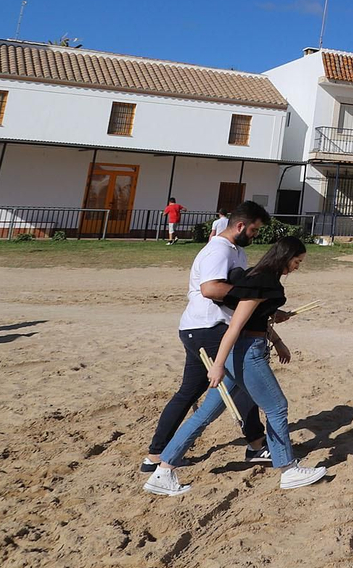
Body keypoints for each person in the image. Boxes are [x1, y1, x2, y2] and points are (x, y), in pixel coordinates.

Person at [144, 236, 328, 495]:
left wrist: (275, 322)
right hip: (246, 354)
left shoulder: (256, 277)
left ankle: (163, 471)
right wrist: (217, 365)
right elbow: (235, 326)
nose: (298, 266)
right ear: (286, 257)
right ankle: (288, 469)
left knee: (204, 415)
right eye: (297, 261)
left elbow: (252, 312)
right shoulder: (263, 281)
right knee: (277, 407)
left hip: (243, 352)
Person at [141, 202, 275, 475]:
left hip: (198, 328)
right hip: (208, 327)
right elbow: (211, 289)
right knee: (244, 382)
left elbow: (238, 293)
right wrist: (250, 297)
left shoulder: (236, 253)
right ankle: (256, 444)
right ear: (240, 226)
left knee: (189, 392)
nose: (255, 235)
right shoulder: (218, 250)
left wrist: (264, 306)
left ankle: (155, 454)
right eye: (253, 230)